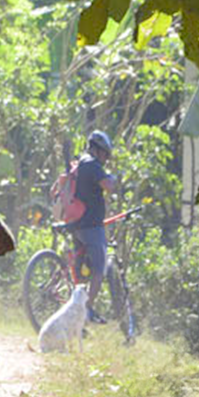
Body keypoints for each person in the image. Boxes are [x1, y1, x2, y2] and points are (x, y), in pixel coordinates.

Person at [67, 130, 119, 321]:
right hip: (90, 225)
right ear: (97, 150)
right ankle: (86, 310)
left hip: (77, 224)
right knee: (99, 268)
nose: (106, 158)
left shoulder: (80, 162)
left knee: (81, 271)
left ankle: (75, 313)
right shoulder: (92, 164)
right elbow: (109, 186)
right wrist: (114, 178)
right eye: (105, 153)